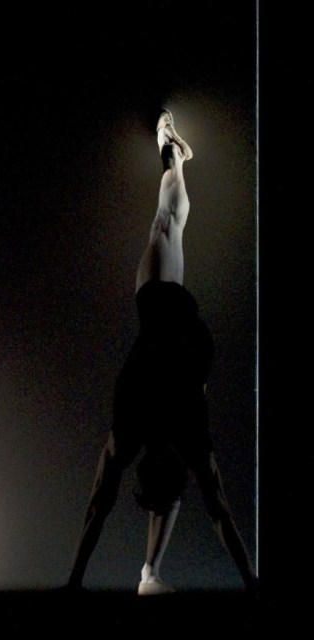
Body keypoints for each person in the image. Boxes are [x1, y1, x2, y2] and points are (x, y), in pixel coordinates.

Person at [65, 110, 257, 595]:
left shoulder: (147, 432)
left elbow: (101, 505)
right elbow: (218, 512)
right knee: (166, 224)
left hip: (175, 323)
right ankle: (171, 153)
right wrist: (252, 584)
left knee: (168, 225)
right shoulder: (156, 434)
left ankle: (172, 153)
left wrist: (74, 582)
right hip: (173, 320)